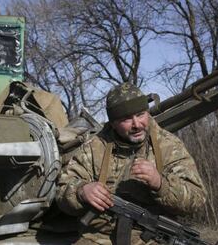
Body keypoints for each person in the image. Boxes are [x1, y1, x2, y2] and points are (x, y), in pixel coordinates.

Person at [56, 83, 207, 244]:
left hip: (154, 237)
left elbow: (197, 199)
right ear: (113, 123)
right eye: (126, 119)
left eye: (141, 114)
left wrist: (160, 184)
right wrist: (81, 191)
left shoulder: (169, 146)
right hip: (98, 237)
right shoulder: (94, 147)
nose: (136, 124)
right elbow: (62, 192)